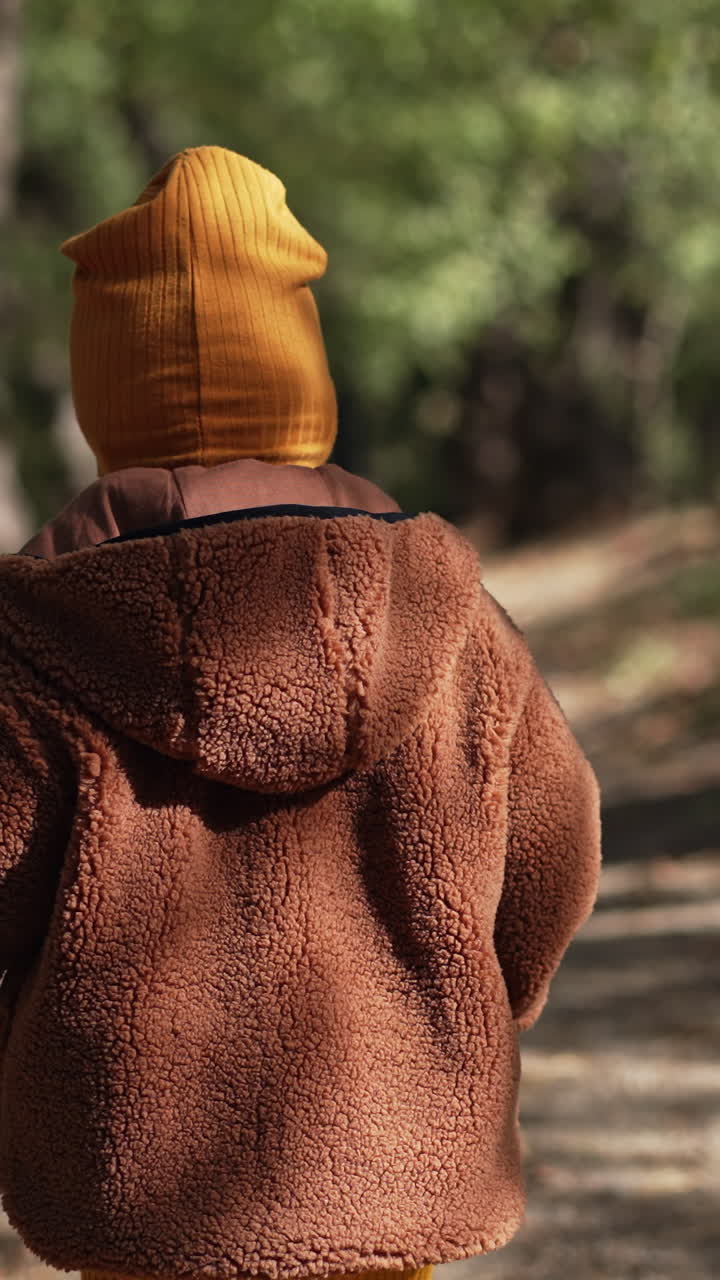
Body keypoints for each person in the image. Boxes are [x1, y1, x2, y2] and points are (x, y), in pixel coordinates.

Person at [0, 146, 601, 1280]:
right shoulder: (453, 615)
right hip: (403, 1151)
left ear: (103, 393)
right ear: (303, 372)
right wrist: (460, 1007)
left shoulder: (34, 642)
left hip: (134, 1179)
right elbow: (554, 846)